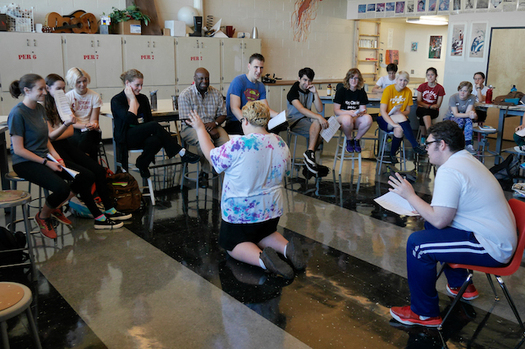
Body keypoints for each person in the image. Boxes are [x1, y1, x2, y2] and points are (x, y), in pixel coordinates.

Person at [388, 120, 516, 327]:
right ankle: (461, 285)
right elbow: (442, 215)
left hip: (492, 245)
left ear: (443, 144)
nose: (426, 148)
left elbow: (440, 220)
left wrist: (410, 196)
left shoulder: (450, 170)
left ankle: (424, 314)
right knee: (428, 225)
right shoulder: (465, 159)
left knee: (418, 245)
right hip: (493, 234)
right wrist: (426, 211)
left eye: (428, 144)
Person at [186, 101, 305, 279]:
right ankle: (287, 248)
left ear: (246, 122)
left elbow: (212, 157)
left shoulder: (238, 145)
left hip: (240, 214)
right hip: (271, 212)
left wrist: (199, 128)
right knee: (264, 233)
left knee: (233, 245)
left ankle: (263, 260)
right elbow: (286, 171)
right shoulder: (280, 143)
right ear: (265, 121)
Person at [7, 74, 126, 239]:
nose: (44, 92)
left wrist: (57, 158)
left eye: (44, 88)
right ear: (27, 90)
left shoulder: (40, 109)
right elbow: (19, 150)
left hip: (46, 156)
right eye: (40, 89)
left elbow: (46, 140)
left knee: (87, 176)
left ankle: (56, 209)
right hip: (26, 162)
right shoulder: (17, 113)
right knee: (61, 188)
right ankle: (43, 216)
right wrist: (46, 162)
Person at [44, 73, 132, 222]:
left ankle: (109, 208)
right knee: (85, 175)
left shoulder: (61, 103)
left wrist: (61, 130)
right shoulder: (43, 108)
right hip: (53, 149)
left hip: (65, 144)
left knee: (98, 170)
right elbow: (50, 137)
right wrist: (63, 128)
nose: (62, 92)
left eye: (63, 88)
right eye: (58, 88)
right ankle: (97, 215)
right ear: (47, 89)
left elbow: (70, 130)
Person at [110, 69, 200, 178]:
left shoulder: (143, 99)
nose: (140, 88)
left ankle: (142, 164)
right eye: (137, 85)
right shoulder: (117, 100)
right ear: (127, 84)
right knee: (154, 126)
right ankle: (181, 152)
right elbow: (130, 118)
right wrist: (132, 100)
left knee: (157, 140)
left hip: (141, 136)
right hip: (126, 137)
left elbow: (149, 120)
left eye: (141, 85)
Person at [179, 68, 229, 183]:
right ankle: (205, 172)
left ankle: (225, 171)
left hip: (213, 125)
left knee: (226, 143)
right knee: (205, 141)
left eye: (207, 78)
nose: (204, 81)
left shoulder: (216, 93)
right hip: (191, 127)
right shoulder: (185, 95)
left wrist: (215, 124)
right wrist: (206, 130)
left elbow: (223, 114)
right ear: (194, 79)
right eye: (201, 78)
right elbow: (188, 120)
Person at [286, 67, 328, 174]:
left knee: (324, 131)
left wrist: (315, 93)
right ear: (299, 79)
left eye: (309, 80)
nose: (307, 83)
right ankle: (310, 156)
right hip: (294, 121)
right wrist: (318, 117)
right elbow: (301, 109)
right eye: (304, 80)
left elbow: (320, 108)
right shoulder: (293, 91)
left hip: (307, 121)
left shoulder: (310, 90)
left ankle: (309, 157)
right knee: (318, 125)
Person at [378, 71, 426, 164]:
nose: (402, 82)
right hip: (385, 120)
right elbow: (382, 111)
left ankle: (392, 155)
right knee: (401, 118)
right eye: (400, 80)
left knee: (399, 130)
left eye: (405, 81)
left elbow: (407, 111)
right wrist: (393, 123)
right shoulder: (388, 89)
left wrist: (400, 112)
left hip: (400, 120)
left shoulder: (408, 91)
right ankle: (415, 145)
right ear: (396, 80)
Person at [225, 53, 278, 135]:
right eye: (256, 67)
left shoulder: (261, 86)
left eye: (261, 68)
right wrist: (245, 122)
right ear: (249, 66)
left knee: (275, 128)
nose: (259, 71)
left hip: (253, 122)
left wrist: (279, 116)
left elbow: (265, 108)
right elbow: (234, 108)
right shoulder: (239, 81)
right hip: (237, 121)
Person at [65, 67, 102, 161]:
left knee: (89, 136)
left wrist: (92, 124)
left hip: (90, 129)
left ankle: (81, 160)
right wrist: (85, 125)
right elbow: (72, 121)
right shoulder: (68, 97)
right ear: (73, 83)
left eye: (84, 81)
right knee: (81, 140)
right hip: (75, 127)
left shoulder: (94, 96)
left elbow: (94, 119)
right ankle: (87, 160)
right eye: (79, 82)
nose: (83, 84)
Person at [334, 68, 373, 154]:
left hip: (356, 116)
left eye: (356, 78)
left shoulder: (361, 92)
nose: (354, 80)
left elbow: (363, 109)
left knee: (368, 118)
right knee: (347, 119)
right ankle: (349, 140)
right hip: (342, 117)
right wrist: (348, 112)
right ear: (348, 79)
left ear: (359, 80)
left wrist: (361, 112)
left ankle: (357, 140)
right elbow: (336, 111)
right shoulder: (341, 91)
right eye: (352, 78)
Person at [443, 81, 477, 154]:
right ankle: (455, 141)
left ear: (469, 92)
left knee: (468, 120)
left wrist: (472, 115)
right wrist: (470, 115)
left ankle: (468, 144)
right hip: (450, 117)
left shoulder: (472, 97)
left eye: (465, 91)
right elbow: (456, 114)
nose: (462, 93)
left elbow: (468, 112)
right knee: (461, 120)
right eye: (461, 90)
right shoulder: (453, 97)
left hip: (463, 116)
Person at [416, 67, 446, 143]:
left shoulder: (440, 88)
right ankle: (431, 135)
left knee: (424, 115)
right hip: (423, 109)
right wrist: (429, 106)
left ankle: (423, 137)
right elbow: (419, 102)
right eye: (428, 75)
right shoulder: (422, 86)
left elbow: (438, 105)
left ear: (436, 76)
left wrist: (427, 106)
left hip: (433, 111)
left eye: (432, 75)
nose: (430, 77)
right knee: (425, 112)